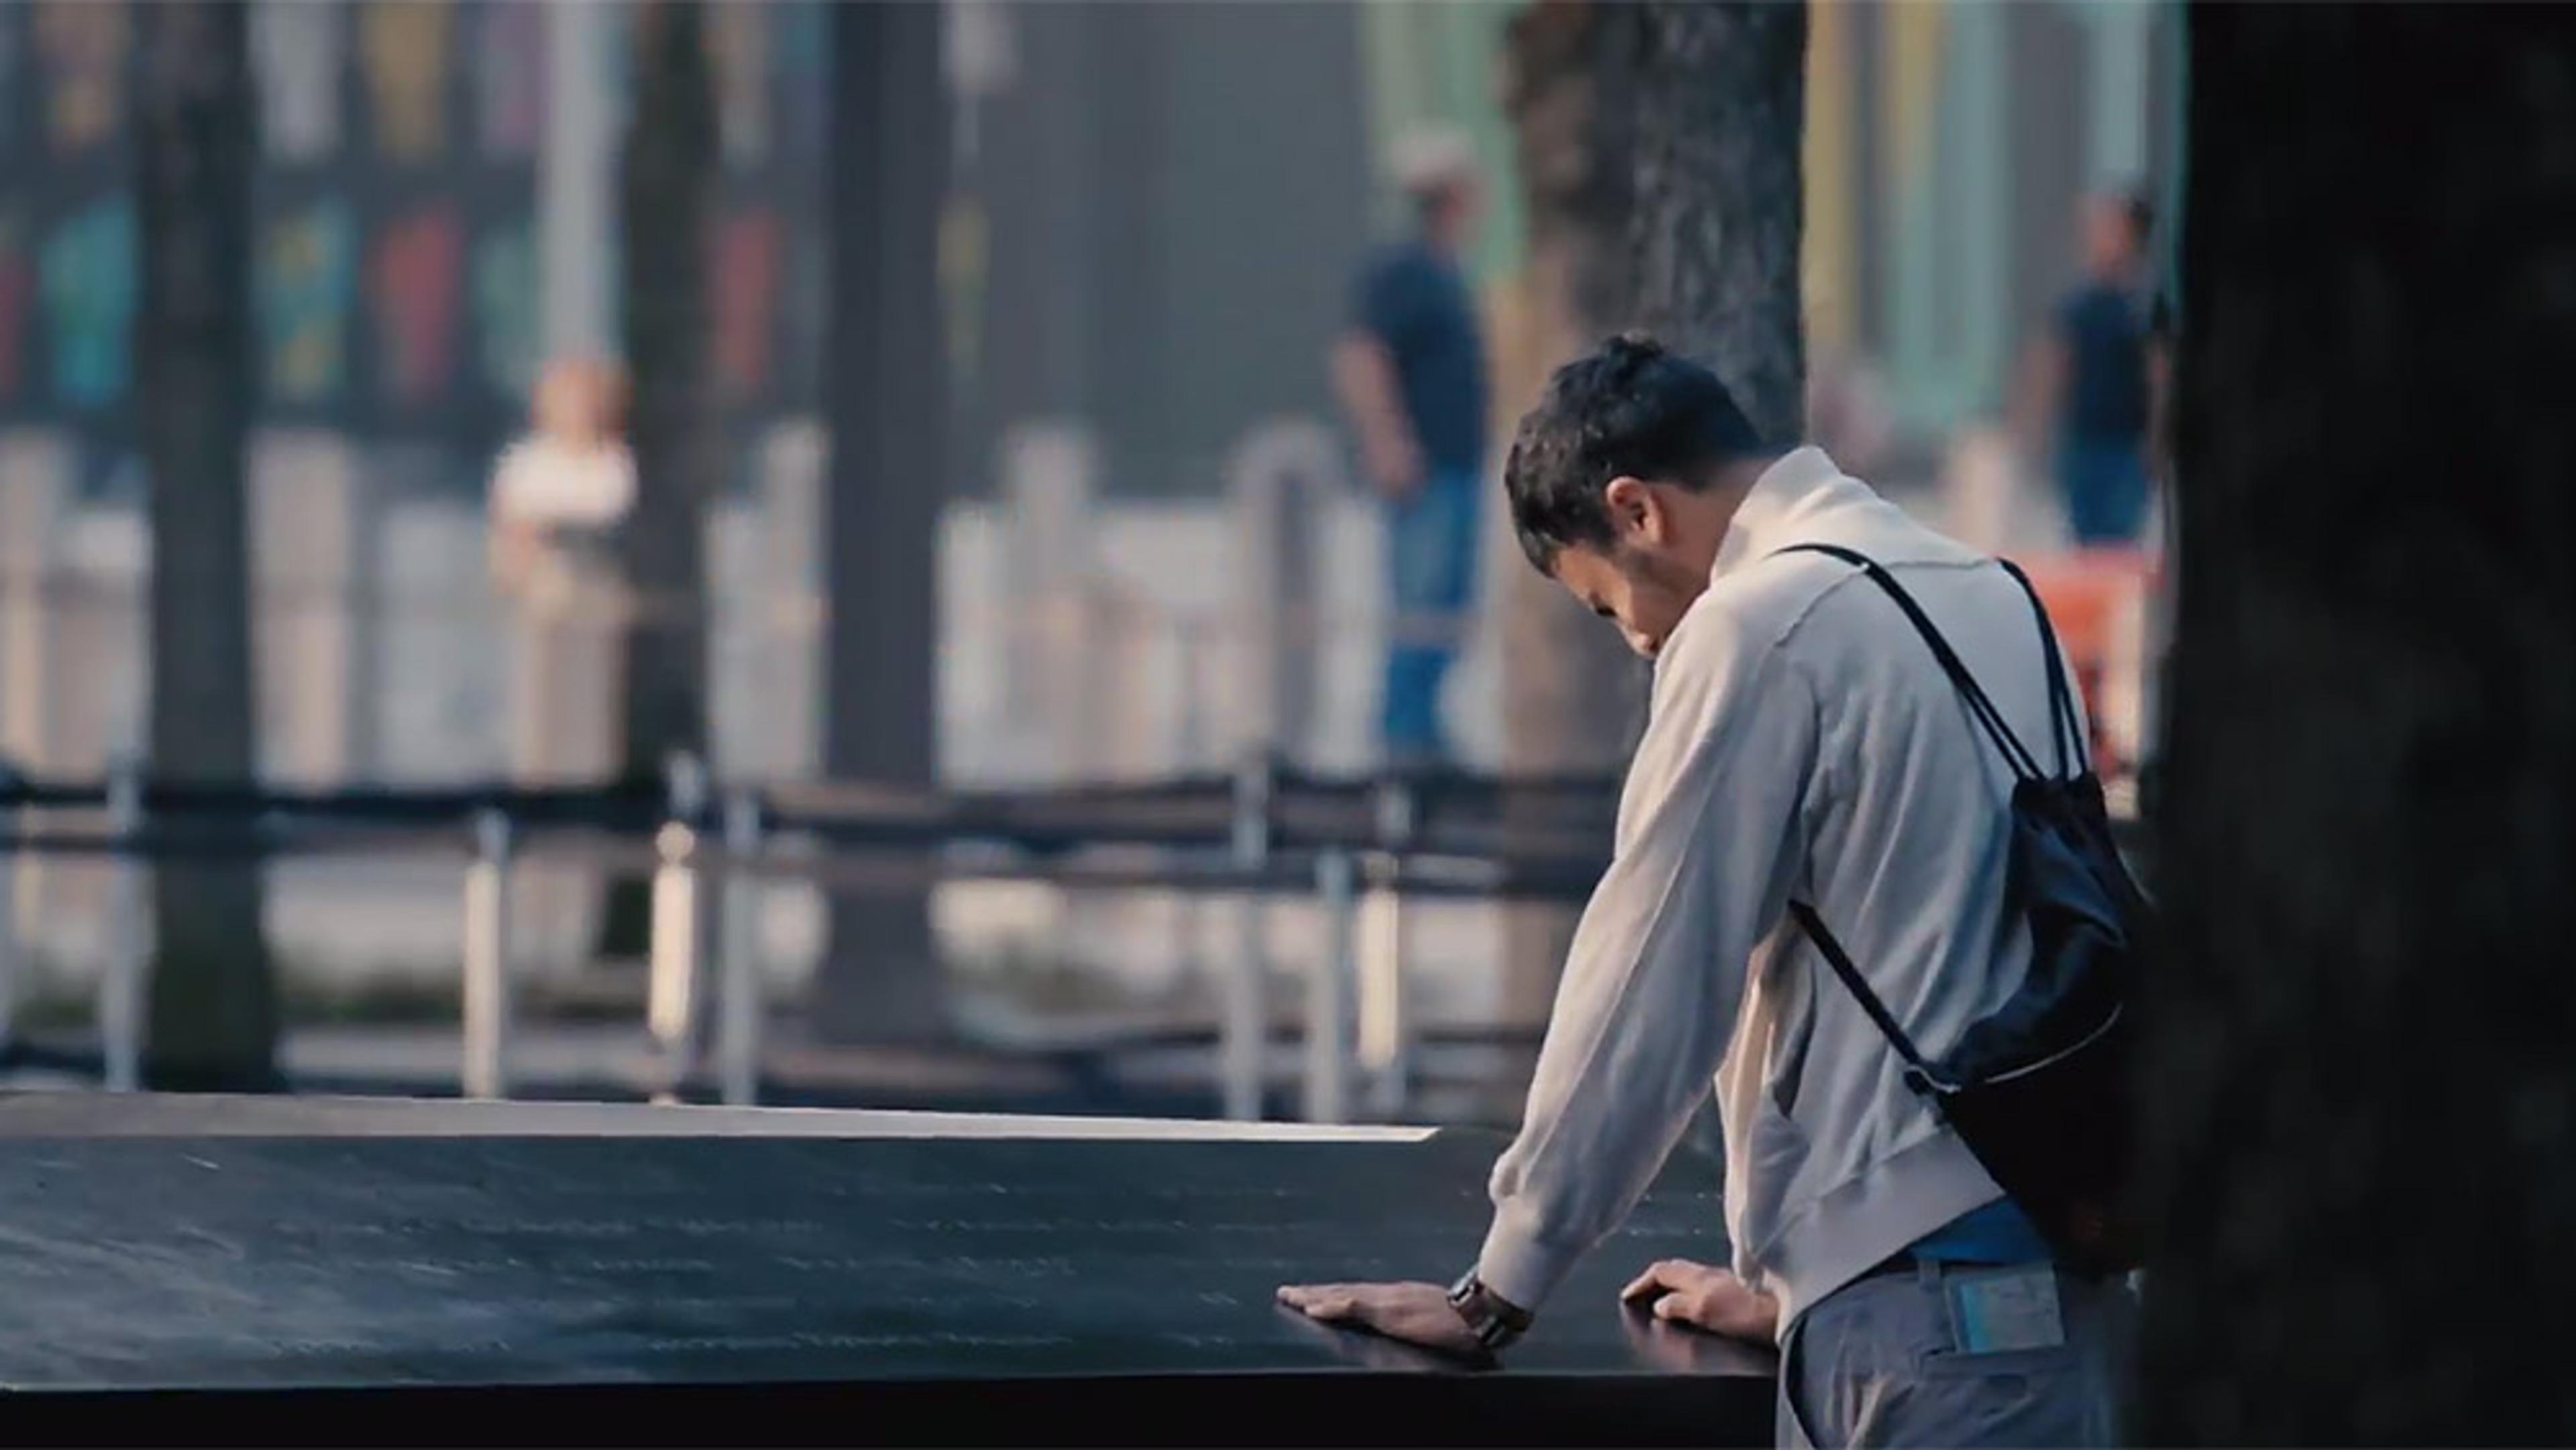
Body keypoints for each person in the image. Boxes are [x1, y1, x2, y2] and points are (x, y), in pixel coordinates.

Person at [1279, 335, 2133, 1447]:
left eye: (1604, 604)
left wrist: (1498, 1286)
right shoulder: (1988, 590)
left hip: (1925, 1314)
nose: (1638, 637)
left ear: (1634, 510)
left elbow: (1651, 975)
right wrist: (1800, 1285)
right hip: (2060, 1275)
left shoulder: (1757, 624)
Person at [1330, 127, 1489, 769]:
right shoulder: (1403, 271)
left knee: (1448, 607)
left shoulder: (1448, 273)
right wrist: (1389, 442)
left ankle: (1425, 729)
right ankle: (1404, 736)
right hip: (1425, 473)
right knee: (1419, 607)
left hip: (1456, 466)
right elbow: (1361, 356)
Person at [2019, 187, 2170, 546]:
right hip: (2082, 443)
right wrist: (2034, 432)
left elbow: (2159, 374)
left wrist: (2156, 439)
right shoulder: (2078, 304)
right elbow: (2054, 365)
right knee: (2084, 542)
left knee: (2117, 542)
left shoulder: (2144, 305)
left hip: (2124, 446)